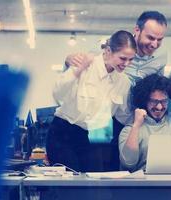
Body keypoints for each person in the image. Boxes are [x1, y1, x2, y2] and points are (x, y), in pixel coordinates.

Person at [65, 11, 168, 170]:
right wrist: (69, 60)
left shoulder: (161, 57)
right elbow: (84, 66)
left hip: (135, 120)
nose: (154, 44)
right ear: (137, 30)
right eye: (150, 38)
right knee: (102, 167)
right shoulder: (112, 47)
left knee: (126, 169)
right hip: (108, 118)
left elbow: (158, 87)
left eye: (159, 40)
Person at [46, 30, 136, 172]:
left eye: (131, 60)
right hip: (64, 134)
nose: (126, 64)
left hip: (93, 137)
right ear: (108, 51)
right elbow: (57, 94)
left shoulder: (123, 82)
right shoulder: (85, 64)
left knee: (93, 187)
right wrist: (78, 70)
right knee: (68, 186)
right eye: (123, 58)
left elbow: (124, 115)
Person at [119, 74, 171, 171]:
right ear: (144, 101)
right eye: (153, 101)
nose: (159, 107)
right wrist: (136, 125)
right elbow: (128, 163)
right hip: (143, 184)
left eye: (164, 101)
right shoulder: (130, 130)